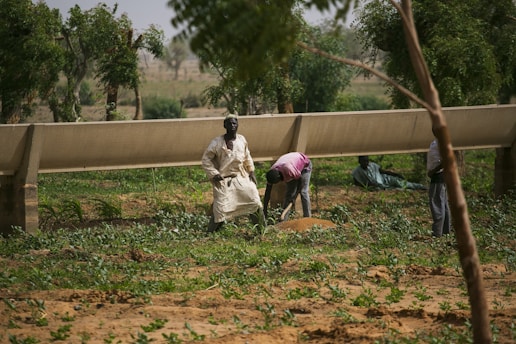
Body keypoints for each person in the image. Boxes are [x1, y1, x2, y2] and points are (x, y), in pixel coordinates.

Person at [201, 114, 265, 232]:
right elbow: (206, 159)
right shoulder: (216, 143)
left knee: (254, 199)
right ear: (224, 125)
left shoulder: (241, 140)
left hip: (241, 177)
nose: (232, 126)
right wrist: (214, 174)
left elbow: (247, 156)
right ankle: (210, 233)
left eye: (234, 123)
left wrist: (251, 171)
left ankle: (262, 230)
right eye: (229, 123)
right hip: (223, 180)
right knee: (221, 207)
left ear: (238, 125)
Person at [263, 152, 312, 222]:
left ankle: (308, 218)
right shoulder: (272, 173)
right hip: (291, 166)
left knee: (303, 192)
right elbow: (267, 193)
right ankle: (284, 220)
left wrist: (295, 196)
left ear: (279, 178)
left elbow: (300, 181)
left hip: (304, 167)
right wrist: (264, 210)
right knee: (289, 195)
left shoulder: (289, 169)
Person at [352, 155, 427, 190]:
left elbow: (383, 171)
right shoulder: (357, 171)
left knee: (401, 183)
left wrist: (396, 174)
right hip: (378, 185)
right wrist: (368, 185)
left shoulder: (373, 165)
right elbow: (357, 183)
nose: (366, 163)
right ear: (359, 162)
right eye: (364, 161)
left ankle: (421, 187)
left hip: (385, 179)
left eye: (367, 161)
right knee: (396, 189)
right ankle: (414, 189)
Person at [426, 137, 451, 237]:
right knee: (442, 203)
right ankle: (445, 231)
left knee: (437, 203)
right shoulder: (437, 142)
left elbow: (446, 159)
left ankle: (437, 233)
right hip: (439, 175)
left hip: (438, 175)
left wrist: (434, 170)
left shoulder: (441, 142)